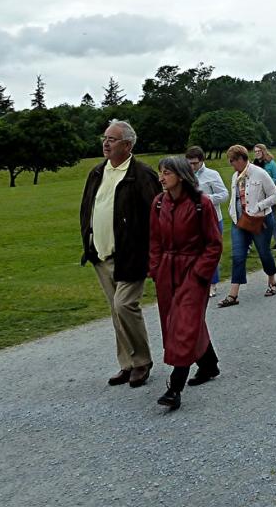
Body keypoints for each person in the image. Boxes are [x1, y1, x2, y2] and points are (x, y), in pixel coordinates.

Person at [78, 119, 160, 388]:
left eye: (112, 139)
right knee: (116, 311)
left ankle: (142, 361)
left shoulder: (141, 174)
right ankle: (127, 363)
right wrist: (89, 241)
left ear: (127, 145)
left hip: (131, 255)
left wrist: (152, 254)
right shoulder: (97, 172)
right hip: (100, 254)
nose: (106, 143)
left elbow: (156, 215)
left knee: (124, 305)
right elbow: (89, 208)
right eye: (105, 138)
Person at [149, 156, 223, 411]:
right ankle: (209, 364)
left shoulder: (201, 204)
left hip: (193, 271)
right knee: (183, 322)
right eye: (161, 172)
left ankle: (174, 387)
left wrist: (200, 274)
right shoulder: (159, 203)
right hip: (167, 272)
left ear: (180, 175)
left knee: (183, 323)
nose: (161, 177)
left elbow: (214, 244)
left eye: (166, 172)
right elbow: (155, 240)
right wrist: (156, 269)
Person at [219, 144, 276, 307]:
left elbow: (275, 196)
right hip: (239, 221)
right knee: (238, 256)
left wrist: (259, 206)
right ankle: (233, 294)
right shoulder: (235, 176)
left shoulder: (259, 173)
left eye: (232, 161)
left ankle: (272, 280)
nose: (231, 164)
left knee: (264, 252)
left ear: (240, 159)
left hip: (259, 220)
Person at [186, 146, 228, 298]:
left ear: (201, 161)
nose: (192, 166)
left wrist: (207, 199)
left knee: (211, 253)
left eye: (194, 163)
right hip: (191, 221)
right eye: (189, 163)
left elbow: (224, 194)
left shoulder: (212, 174)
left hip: (212, 220)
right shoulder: (185, 175)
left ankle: (212, 284)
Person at [253, 143, 276, 251]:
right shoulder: (254, 164)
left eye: (259, 151)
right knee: (258, 218)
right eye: (255, 151)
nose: (257, 153)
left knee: (272, 217)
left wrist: (267, 182)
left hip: (270, 194)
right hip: (258, 194)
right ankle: (261, 241)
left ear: (263, 151)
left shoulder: (270, 163)